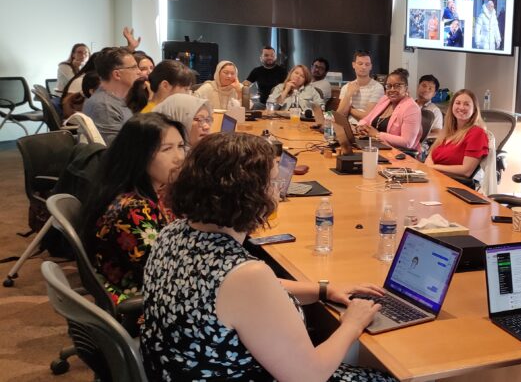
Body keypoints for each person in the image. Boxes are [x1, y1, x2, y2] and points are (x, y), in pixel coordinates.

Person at [142, 133, 396, 381]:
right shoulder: (245, 275)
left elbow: (251, 295)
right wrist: (352, 324)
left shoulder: (173, 233)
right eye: (273, 183)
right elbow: (309, 376)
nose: (278, 190)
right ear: (248, 195)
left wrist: (324, 290)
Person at [79, 113, 187, 303]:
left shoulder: (144, 190)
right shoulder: (133, 210)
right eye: (167, 149)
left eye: (180, 146)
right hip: (145, 304)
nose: (179, 158)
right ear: (139, 155)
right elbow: (166, 274)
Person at [426, 89, 488, 178]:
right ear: (452, 107)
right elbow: (430, 156)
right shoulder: (448, 131)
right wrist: (429, 166)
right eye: (458, 103)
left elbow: (466, 170)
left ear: (474, 109)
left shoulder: (477, 133)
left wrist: (433, 167)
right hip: (434, 178)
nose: (461, 107)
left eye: (467, 104)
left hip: (452, 184)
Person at [83, 47, 140, 144]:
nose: (139, 72)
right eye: (134, 67)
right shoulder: (104, 106)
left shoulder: (114, 100)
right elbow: (116, 151)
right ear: (117, 74)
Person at [357, 69, 422, 150]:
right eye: (388, 86)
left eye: (397, 86)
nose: (392, 90)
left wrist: (377, 135)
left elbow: (407, 142)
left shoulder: (411, 108)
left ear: (406, 88)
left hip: (398, 154)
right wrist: (361, 126)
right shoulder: (385, 99)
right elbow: (367, 119)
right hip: (375, 147)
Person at [337, 50, 384, 124]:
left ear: (371, 66)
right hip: (347, 127)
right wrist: (348, 94)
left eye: (367, 64)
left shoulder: (377, 87)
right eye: (360, 63)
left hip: (365, 129)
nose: (364, 67)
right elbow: (339, 116)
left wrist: (349, 108)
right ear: (353, 65)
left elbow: (367, 116)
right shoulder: (346, 87)